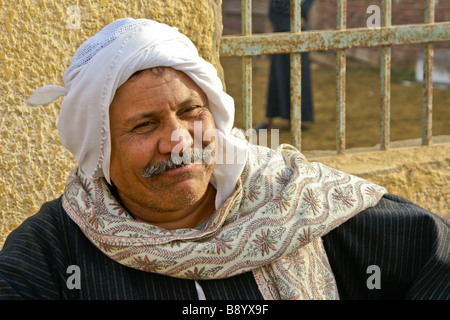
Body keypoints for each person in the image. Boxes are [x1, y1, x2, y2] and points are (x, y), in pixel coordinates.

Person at [0, 18, 448, 300]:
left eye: (191, 111)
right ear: (100, 153)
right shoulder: (49, 256)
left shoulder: (295, 202)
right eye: (144, 125)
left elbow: (436, 254)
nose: (178, 139)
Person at [256, 0, 315, 130]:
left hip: (300, 40)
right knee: (277, 78)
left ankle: (294, 120)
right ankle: (269, 120)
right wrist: (294, 23)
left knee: (299, 79)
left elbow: (305, 12)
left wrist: (301, 23)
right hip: (282, 39)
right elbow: (274, 15)